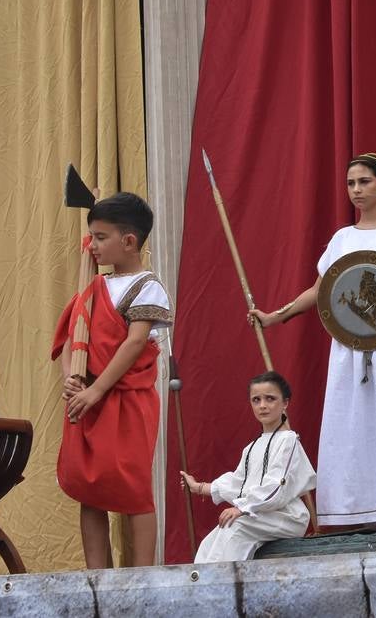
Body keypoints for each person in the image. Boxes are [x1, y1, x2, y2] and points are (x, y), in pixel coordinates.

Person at [251, 153, 376, 533]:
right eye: (351, 183)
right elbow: (321, 291)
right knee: (347, 424)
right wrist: (276, 316)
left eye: (364, 182)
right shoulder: (343, 239)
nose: (356, 190)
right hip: (348, 346)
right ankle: (349, 513)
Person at [51, 192, 171, 568]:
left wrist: (98, 389)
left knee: (134, 488)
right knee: (91, 488)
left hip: (126, 400)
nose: (91, 245)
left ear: (129, 241)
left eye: (100, 237)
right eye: (92, 236)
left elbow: (135, 343)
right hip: (86, 398)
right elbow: (70, 339)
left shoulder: (146, 286)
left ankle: (143, 576)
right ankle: (97, 578)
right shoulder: (92, 287)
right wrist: (72, 379)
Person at [181, 371, 317, 562]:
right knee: (210, 541)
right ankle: (204, 586)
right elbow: (240, 484)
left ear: (285, 403)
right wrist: (200, 487)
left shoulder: (289, 440)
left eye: (270, 399)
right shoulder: (251, 447)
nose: (262, 406)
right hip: (262, 515)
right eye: (256, 400)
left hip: (287, 516)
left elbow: (276, 486)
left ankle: (225, 586)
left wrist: (242, 508)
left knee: (234, 528)